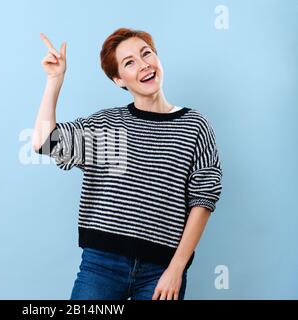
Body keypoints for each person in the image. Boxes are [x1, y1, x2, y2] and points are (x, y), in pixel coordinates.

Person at [32, 28, 223, 300]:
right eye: (129, 62)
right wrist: (54, 80)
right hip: (101, 266)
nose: (143, 65)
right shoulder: (107, 126)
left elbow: (203, 199)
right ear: (118, 79)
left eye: (147, 54)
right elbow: (44, 143)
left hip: (162, 269)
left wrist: (176, 269)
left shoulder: (194, 126)